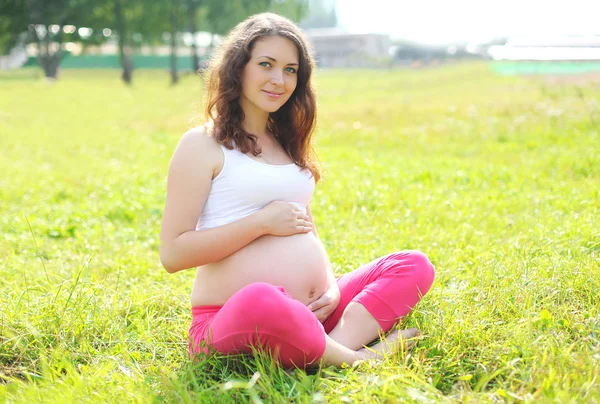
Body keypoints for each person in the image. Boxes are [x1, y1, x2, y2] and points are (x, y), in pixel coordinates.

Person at [159, 12, 435, 369]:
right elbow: (173, 253)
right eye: (266, 64)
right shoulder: (203, 144)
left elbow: (305, 226)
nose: (279, 80)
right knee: (262, 299)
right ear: (238, 67)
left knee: (412, 266)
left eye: (291, 70)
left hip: (314, 313)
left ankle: (331, 349)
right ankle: (354, 361)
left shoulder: (287, 142)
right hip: (236, 317)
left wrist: (331, 289)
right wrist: (260, 223)